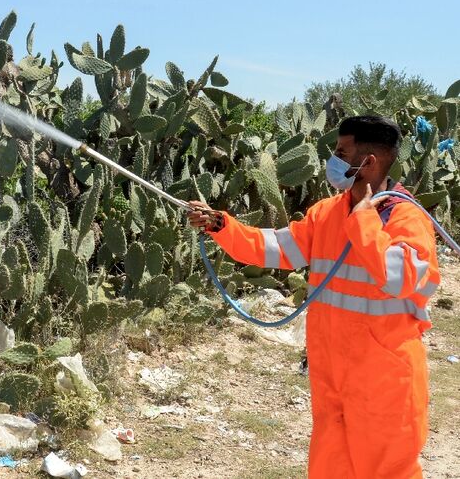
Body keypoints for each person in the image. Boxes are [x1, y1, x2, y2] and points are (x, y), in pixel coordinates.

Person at [187, 115, 437, 478]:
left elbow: (399, 279)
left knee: (388, 471)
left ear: (367, 162)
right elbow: (276, 248)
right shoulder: (328, 213)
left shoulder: (406, 219)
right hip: (331, 373)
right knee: (329, 468)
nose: (332, 160)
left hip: (384, 381)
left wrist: (365, 220)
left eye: (341, 152)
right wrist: (222, 226)